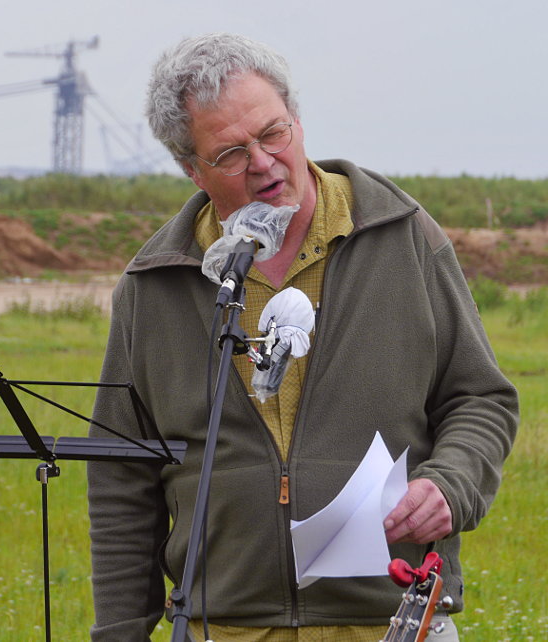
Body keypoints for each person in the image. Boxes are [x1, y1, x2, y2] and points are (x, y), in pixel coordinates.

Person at [87, 32, 519, 641]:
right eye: (231, 153)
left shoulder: (402, 237)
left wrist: (450, 483)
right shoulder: (153, 285)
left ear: (296, 119)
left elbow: (481, 398)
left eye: (272, 133)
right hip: (227, 627)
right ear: (191, 169)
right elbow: (121, 482)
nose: (263, 163)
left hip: (393, 616)